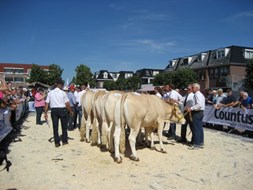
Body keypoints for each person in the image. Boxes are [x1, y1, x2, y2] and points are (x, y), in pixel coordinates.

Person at [44, 79, 74, 147]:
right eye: (62, 85)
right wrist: (70, 111)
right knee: (64, 127)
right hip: (62, 110)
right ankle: (64, 141)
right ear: (59, 85)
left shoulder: (50, 93)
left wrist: (45, 113)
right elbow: (67, 104)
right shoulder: (63, 93)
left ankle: (57, 142)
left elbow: (46, 104)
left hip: (54, 110)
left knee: (55, 127)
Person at [185, 83, 205, 150]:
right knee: (199, 128)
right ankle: (200, 142)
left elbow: (199, 105)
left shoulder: (197, 95)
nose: (192, 88)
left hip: (197, 112)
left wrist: (191, 108)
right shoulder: (200, 94)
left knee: (196, 128)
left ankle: (196, 144)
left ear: (196, 88)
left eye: (193, 87)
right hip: (200, 112)